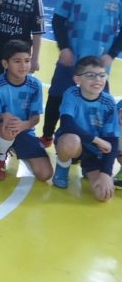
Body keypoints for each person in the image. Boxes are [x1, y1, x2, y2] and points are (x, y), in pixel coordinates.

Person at [41, 0, 122, 147]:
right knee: (57, 95)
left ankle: (91, 143)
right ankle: (47, 135)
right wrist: (64, 48)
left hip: (100, 62)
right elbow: (58, 19)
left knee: (97, 102)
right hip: (72, 57)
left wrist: (111, 54)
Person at [51, 57, 119, 202]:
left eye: (102, 75)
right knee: (71, 141)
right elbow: (67, 124)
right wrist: (98, 140)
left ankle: (88, 168)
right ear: (77, 79)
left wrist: (106, 173)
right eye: (90, 75)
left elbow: (112, 140)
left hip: (94, 151)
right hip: (73, 143)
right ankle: (62, 169)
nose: (98, 80)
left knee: (103, 195)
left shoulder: (108, 102)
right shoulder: (71, 94)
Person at [0, 40, 52, 182]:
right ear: (5, 64)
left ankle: (14, 147)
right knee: (9, 127)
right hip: (2, 128)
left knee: (45, 174)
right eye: (17, 61)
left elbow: (35, 117)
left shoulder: (35, 85)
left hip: (24, 130)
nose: (23, 66)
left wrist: (24, 125)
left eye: (27, 61)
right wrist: (4, 116)